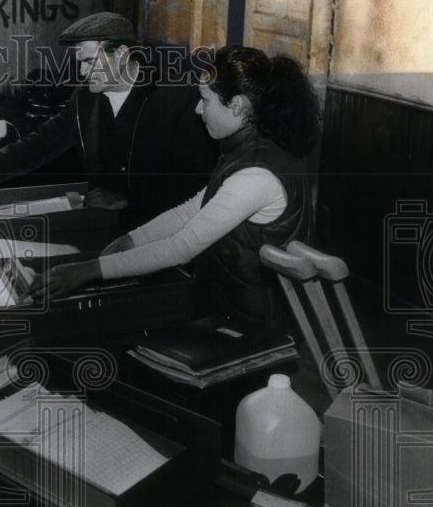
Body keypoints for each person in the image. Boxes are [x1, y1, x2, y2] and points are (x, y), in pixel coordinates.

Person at [32, 45, 320, 327]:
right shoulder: (248, 149)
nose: (197, 109)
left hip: (250, 319)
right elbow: (190, 210)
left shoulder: (256, 174)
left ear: (237, 106)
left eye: (205, 100)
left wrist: (89, 270)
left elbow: (181, 248)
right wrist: (132, 239)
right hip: (230, 299)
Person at [0, 12, 216, 226]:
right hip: (105, 228)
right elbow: (41, 143)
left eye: (89, 61)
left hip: (163, 234)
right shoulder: (86, 99)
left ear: (121, 54)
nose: (82, 73)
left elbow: (197, 180)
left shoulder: (177, 98)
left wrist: (131, 198)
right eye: (79, 62)